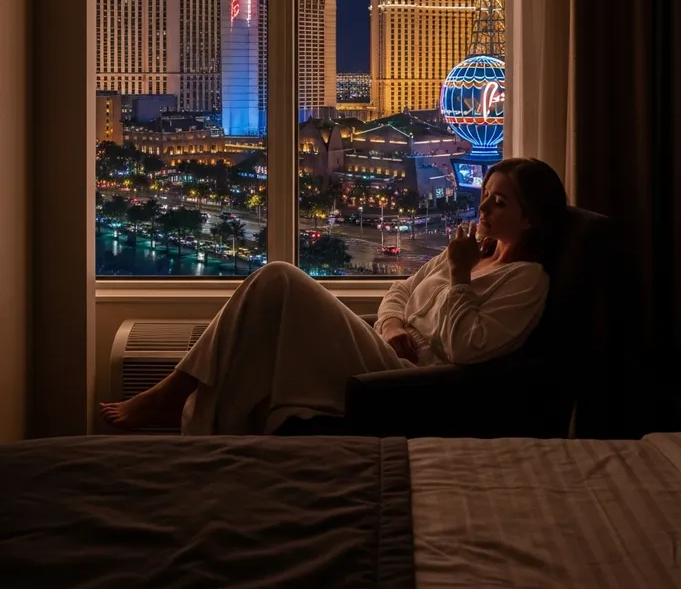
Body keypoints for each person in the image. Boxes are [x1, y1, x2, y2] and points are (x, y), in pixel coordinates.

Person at [101, 157, 567, 435]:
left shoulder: (526, 280)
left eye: (500, 202)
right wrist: (391, 324)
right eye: (485, 195)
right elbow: (399, 292)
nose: (483, 206)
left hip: (410, 382)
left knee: (279, 278)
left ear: (531, 220)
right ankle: (206, 436)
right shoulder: (468, 250)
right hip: (384, 348)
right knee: (259, 332)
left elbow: (468, 347)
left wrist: (460, 274)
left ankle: (172, 393)